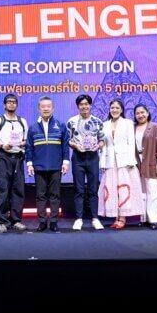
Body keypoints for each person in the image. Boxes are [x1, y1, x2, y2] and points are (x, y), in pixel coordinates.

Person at [25, 96, 70, 233]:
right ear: (39, 108)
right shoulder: (33, 127)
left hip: (56, 166)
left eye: (48, 106)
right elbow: (29, 147)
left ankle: (54, 221)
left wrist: (65, 162)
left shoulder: (60, 125)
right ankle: (43, 221)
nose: (46, 109)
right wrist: (29, 164)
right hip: (39, 166)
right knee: (40, 195)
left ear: (53, 108)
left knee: (55, 195)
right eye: (43, 106)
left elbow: (65, 146)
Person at [98, 99, 144, 229]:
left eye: (117, 108)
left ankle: (123, 217)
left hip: (125, 162)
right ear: (109, 109)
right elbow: (104, 145)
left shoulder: (128, 123)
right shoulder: (104, 125)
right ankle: (115, 216)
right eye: (112, 107)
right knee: (112, 190)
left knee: (124, 189)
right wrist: (102, 162)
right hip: (110, 162)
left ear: (122, 110)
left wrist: (130, 161)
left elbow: (131, 143)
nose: (114, 110)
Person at [0, 94, 28, 233]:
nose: (11, 104)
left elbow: (25, 140)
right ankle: (1, 221)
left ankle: (16, 220)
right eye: (9, 102)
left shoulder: (22, 121)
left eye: (14, 102)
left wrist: (22, 143)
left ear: (17, 104)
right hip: (3, 157)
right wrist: (2, 145)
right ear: (4, 105)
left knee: (18, 190)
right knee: (2, 189)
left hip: (18, 158)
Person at [66, 94, 105, 231]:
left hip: (93, 157)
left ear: (90, 105)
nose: (84, 106)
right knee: (79, 189)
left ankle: (95, 218)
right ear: (78, 106)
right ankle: (79, 219)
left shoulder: (97, 121)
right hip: (78, 157)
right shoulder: (71, 122)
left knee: (93, 189)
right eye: (81, 104)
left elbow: (102, 140)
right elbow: (68, 140)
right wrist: (76, 146)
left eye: (86, 104)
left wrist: (97, 146)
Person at [134, 104, 157, 229]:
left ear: (147, 113)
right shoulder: (133, 128)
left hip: (152, 162)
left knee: (153, 192)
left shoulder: (155, 127)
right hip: (138, 164)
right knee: (141, 193)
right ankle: (143, 218)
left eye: (142, 112)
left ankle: (154, 219)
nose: (140, 115)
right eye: (137, 113)